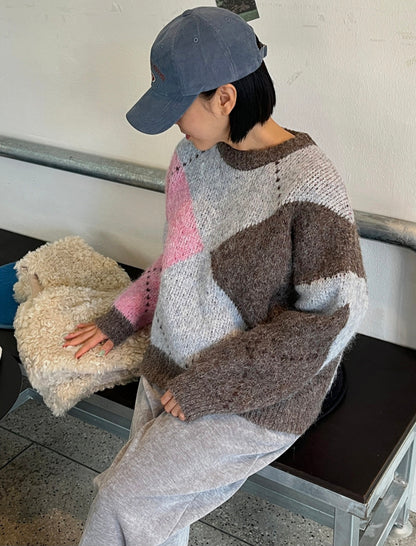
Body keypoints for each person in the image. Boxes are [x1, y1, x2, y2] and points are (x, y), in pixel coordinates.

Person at [64, 6, 368, 546]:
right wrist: (124, 315)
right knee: (156, 517)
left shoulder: (310, 185)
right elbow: (179, 262)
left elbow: (331, 320)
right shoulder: (190, 158)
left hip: (257, 393)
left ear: (225, 97)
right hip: (171, 360)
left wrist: (212, 383)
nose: (176, 123)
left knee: (120, 501)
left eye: (180, 107)